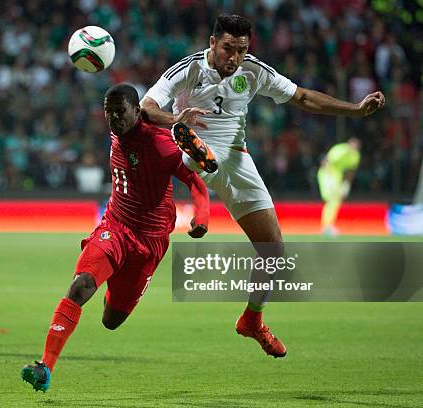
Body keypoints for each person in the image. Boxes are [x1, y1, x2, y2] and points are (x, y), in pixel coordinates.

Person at [141, 14, 385, 358]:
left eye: (241, 50)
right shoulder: (188, 69)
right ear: (213, 44)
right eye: (228, 48)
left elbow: (302, 97)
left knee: (273, 248)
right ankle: (192, 153)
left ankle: (252, 320)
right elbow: (147, 107)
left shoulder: (254, 71)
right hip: (189, 145)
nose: (234, 58)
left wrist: (355, 110)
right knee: (188, 153)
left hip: (236, 160)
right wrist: (175, 120)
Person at [21, 84, 210, 392]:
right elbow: (147, 112)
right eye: (108, 112)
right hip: (115, 225)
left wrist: (202, 216)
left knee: (112, 320)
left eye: (119, 112)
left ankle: (117, 283)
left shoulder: (161, 145)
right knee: (80, 285)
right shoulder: (118, 131)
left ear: (135, 112)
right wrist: (174, 117)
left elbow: (194, 181)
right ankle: (45, 368)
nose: (112, 118)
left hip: (150, 241)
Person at [317, 138, 361, 236]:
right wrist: (330, 179)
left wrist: (346, 185)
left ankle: (327, 226)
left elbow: (350, 172)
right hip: (326, 175)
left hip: (336, 179)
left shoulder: (355, 156)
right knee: (332, 200)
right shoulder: (340, 150)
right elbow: (325, 162)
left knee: (335, 201)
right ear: (348, 144)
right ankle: (326, 226)